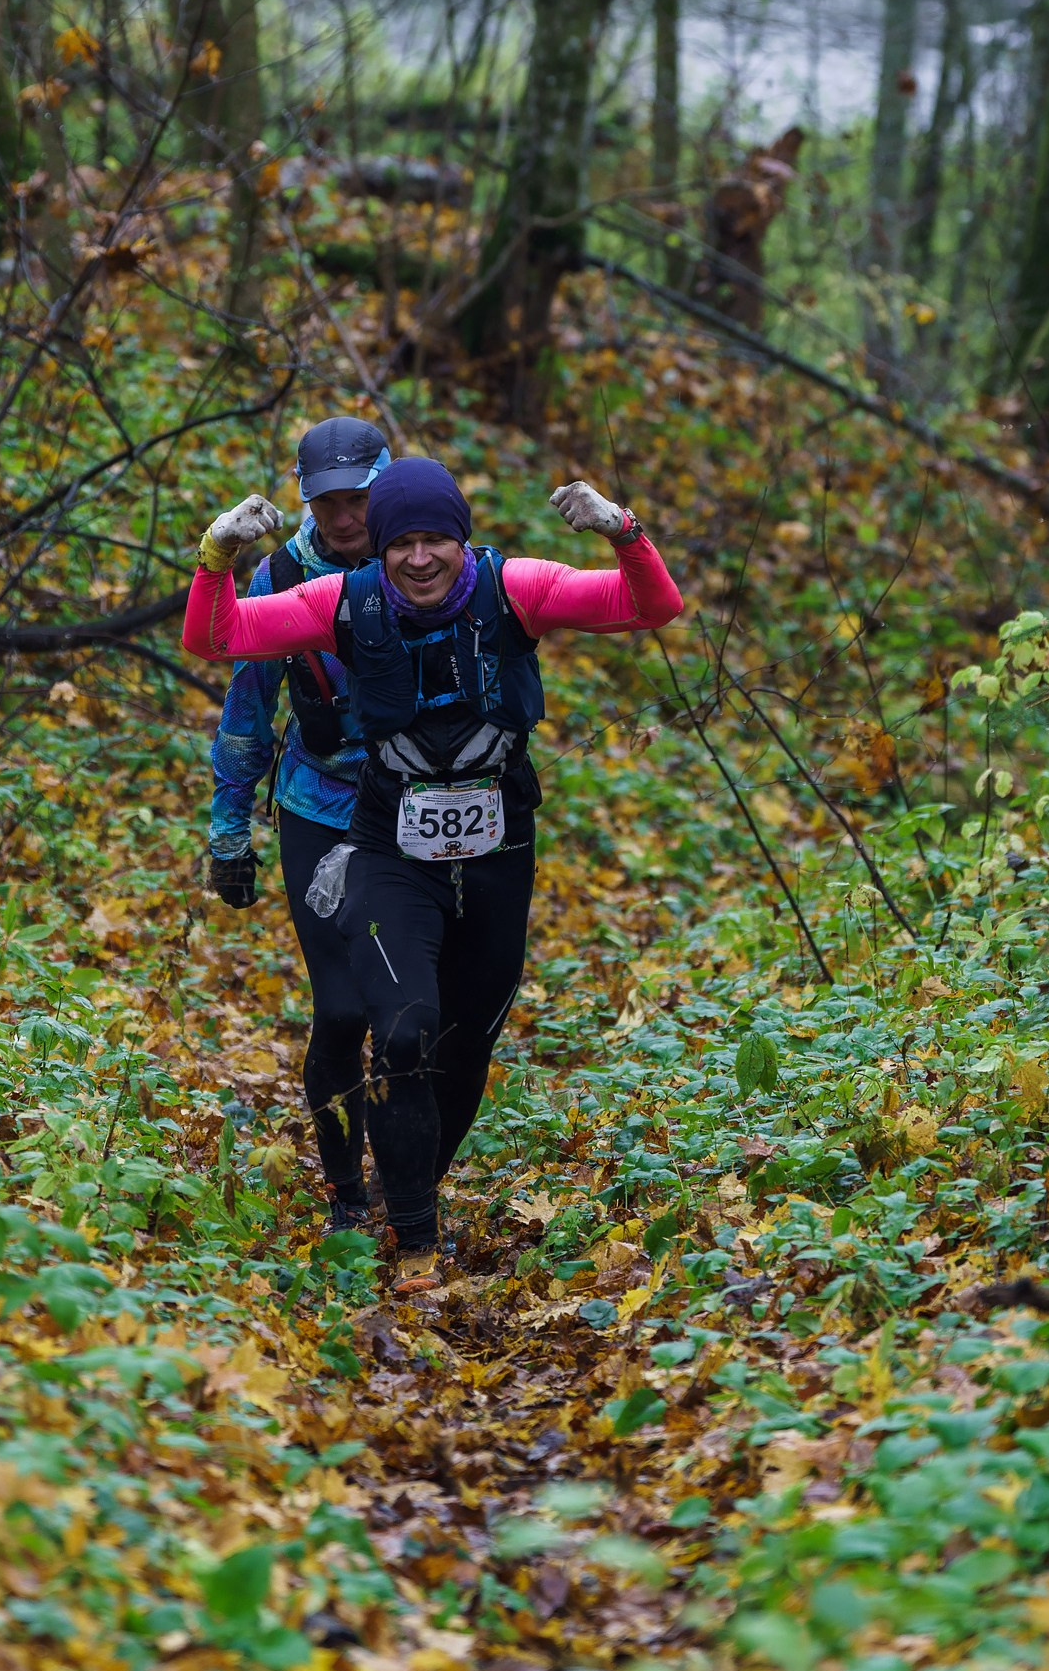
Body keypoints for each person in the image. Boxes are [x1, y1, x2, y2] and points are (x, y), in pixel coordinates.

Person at [185, 454, 682, 1284]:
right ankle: (414, 1240)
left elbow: (651, 606)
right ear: (377, 551)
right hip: (390, 850)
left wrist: (620, 530)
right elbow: (219, 637)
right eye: (401, 543)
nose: (419, 558)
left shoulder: (516, 588)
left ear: (463, 540)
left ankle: (408, 1183)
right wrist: (215, 555)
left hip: (497, 851)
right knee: (404, 1028)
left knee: (466, 1043)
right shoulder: (342, 602)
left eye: (436, 540)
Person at [204, 415, 390, 1231]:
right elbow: (247, 712)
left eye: (360, 497)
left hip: (417, 814)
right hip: (316, 805)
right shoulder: (283, 574)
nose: (346, 515)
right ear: (304, 498)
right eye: (327, 500)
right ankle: (348, 1193)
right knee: (345, 1009)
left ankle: (411, 1176)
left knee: (410, 1013)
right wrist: (228, 834)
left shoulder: (426, 556)